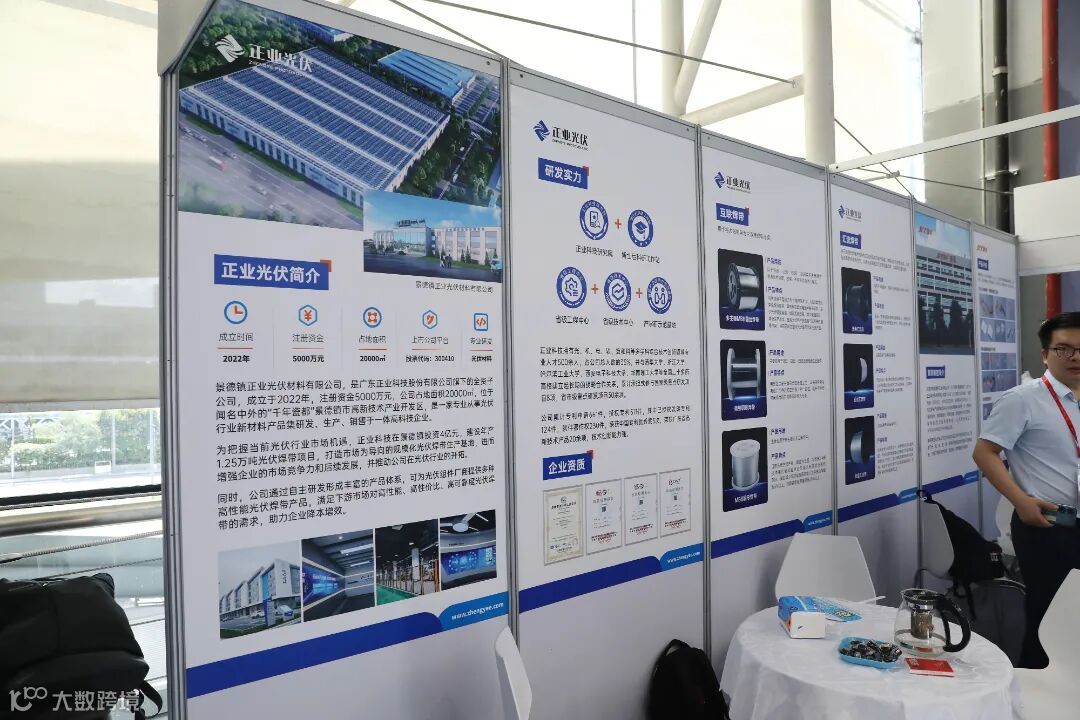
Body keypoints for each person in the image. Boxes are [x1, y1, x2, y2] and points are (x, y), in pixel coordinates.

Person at [973, 311, 1080, 668]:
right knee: (1049, 619)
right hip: (1048, 524)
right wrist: (1020, 501)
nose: (1075, 357)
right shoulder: (1023, 399)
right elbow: (984, 452)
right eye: (1064, 349)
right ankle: (1035, 687)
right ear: (1046, 354)